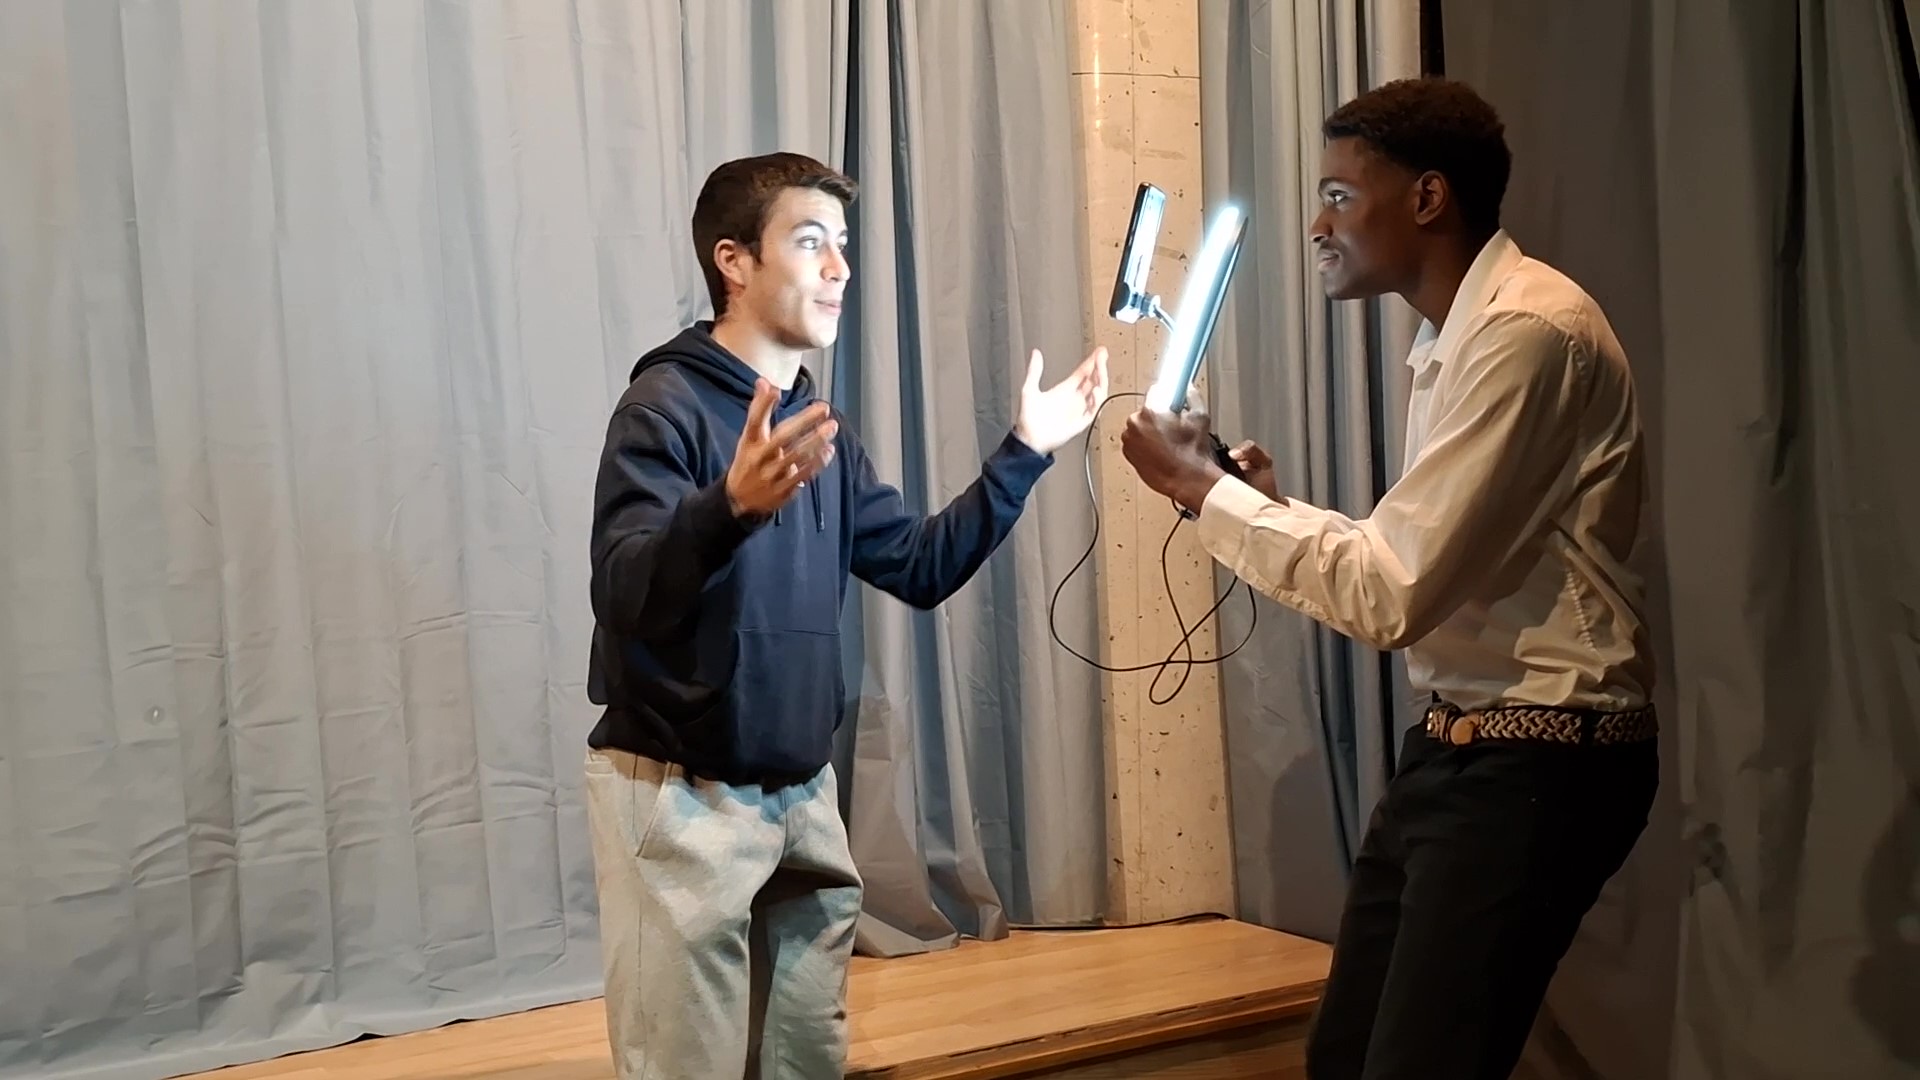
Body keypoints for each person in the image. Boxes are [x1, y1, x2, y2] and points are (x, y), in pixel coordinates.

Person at [1118, 78, 1659, 1079]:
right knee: (1347, 1057)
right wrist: (1255, 504)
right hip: (1459, 752)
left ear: (1427, 197)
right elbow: (1414, 559)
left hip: (1541, 761)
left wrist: (1205, 493)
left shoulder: (1527, 333)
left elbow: (1393, 591)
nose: (1317, 227)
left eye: (1337, 196)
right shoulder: (1455, 338)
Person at [582, 150, 1108, 1080]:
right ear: (734, 261)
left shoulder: (817, 424)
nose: (840, 269)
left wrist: (1026, 450)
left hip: (804, 797)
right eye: (810, 242)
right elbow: (626, 592)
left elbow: (918, 565)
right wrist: (727, 507)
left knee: (805, 1060)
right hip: (683, 795)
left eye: (844, 246)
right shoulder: (663, 405)